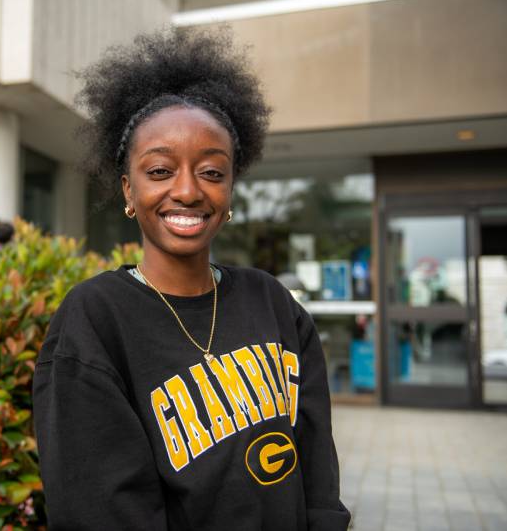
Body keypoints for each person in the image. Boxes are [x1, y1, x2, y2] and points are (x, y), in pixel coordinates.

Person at [32, 27, 350, 531]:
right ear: (128, 190)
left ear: (229, 190)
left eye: (212, 172)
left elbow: (316, 464)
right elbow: (101, 509)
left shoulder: (270, 301)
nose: (187, 190)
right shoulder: (96, 320)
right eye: (160, 171)